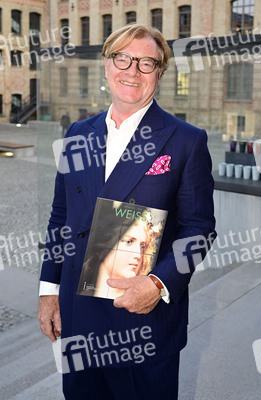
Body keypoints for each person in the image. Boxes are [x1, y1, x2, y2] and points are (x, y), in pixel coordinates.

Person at [38, 24, 216, 399]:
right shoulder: (77, 134)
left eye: (146, 63)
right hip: (79, 321)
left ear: (160, 73)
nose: (132, 71)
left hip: (142, 324)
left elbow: (199, 229)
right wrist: (49, 291)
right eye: (123, 58)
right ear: (107, 65)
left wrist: (159, 283)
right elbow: (60, 217)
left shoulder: (185, 140)